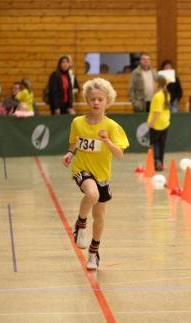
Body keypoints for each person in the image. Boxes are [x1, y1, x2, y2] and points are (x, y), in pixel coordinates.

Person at [62, 78, 129, 271]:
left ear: (107, 101)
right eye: (92, 99)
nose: (96, 102)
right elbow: (74, 143)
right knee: (92, 194)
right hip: (82, 169)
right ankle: (80, 224)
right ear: (87, 100)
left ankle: (94, 251)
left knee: (99, 215)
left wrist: (107, 141)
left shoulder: (112, 126)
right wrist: (69, 153)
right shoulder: (77, 122)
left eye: (100, 99)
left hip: (102, 175)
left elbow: (119, 154)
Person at [147, 75, 170, 171]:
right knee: (162, 144)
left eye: (154, 82)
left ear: (157, 83)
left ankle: (157, 162)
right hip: (165, 122)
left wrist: (151, 123)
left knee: (155, 143)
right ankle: (161, 162)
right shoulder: (167, 94)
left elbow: (157, 111)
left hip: (157, 123)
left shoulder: (157, 96)